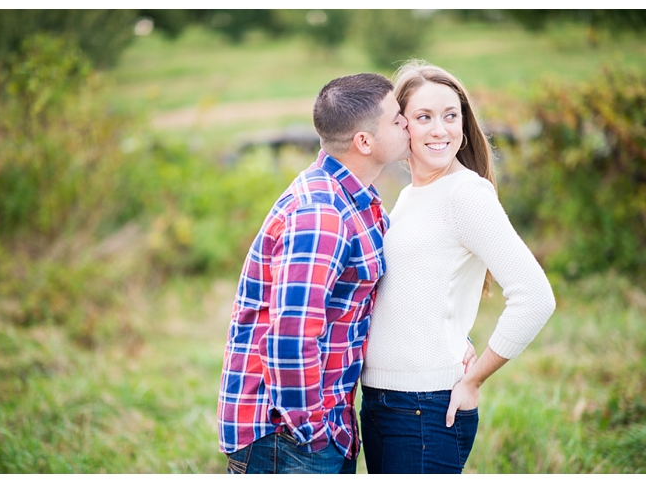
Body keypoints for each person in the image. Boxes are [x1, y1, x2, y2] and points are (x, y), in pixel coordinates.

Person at [359, 59, 557, 474]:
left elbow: (535, 297)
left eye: (451, 116)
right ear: (401, 126)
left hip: (424, 409)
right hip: (382, 402)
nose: (440, 129)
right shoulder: (412, 196)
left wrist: (473, 378)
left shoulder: (465, 194)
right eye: (424, 117)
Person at [217, 72, 413, 474]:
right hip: (289, 438)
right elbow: (290, 335)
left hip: (321, 429)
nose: (408, 123)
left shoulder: (359, 201)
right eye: (397, 118)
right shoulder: (321, 214)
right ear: (364, 141)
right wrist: (311, 430)